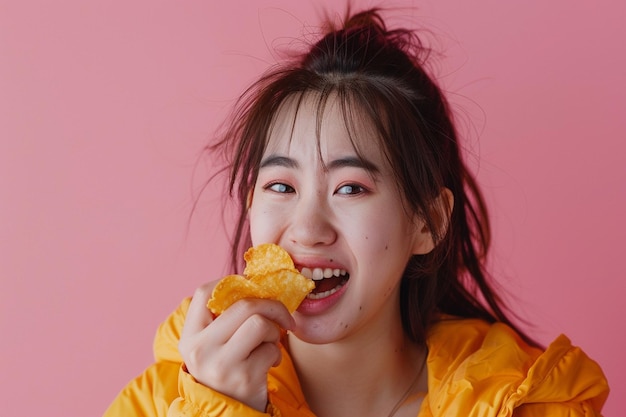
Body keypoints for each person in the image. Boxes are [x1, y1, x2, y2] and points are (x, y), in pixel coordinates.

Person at [104, 7, 609, 417]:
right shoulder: (160, 403)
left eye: (350, 189)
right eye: (281, 184)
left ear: (428, 221)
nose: (306, 228)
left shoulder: (526, 405)